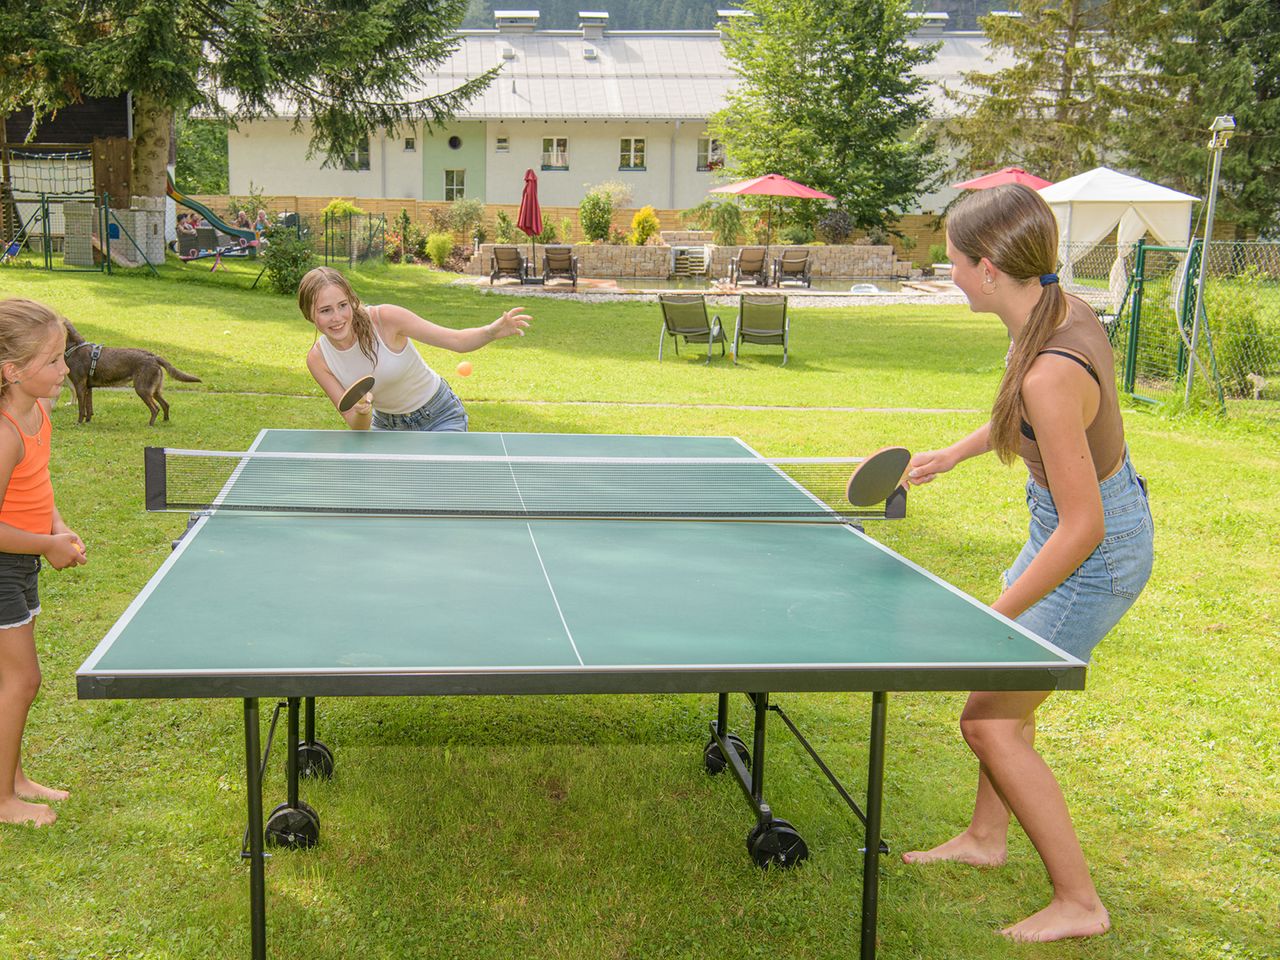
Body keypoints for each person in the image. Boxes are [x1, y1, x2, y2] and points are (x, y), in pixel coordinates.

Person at [900, 184, 1153, 942]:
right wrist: (957, 451)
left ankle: (1080, 903)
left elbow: (1084, 528)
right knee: (1005, 704)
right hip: (1071, 529)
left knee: (987, 723)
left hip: (1094, 553)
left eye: (948, 261)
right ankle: (986, 836)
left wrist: (993, 616)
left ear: (984, 268)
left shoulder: (1050, 365)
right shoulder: (1050, 305)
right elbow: (1030, 417)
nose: (945, 273)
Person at [0, 299, 87, 827]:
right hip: (4, 565)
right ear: (12, 371)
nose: (66, 370)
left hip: (23, 557)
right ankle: (3, 800)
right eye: (53, 361)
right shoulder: (4, 433)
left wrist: (55, 527)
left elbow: (38, 487)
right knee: (22, 678)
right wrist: (44, 545)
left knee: (14, 679)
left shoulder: (40, 411)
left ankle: (14, 778)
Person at [297, 266, 531, 430]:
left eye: (342, 305)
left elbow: (457, 341)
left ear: (351, 301)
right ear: (309, 314)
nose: (337, 317)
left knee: (439, 492)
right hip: (387, 427)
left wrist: (490, 331)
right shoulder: (318, 359)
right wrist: (361, 411)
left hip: (439, 416)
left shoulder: (385, 319)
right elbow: (356, 425)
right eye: (325, 310)